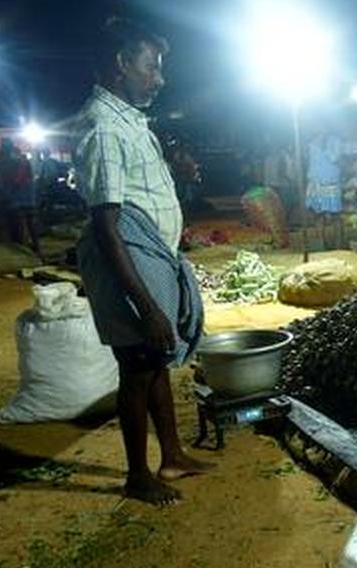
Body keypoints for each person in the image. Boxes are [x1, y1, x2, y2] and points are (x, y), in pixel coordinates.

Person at [72, 18, 210, 505]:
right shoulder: (104, 126)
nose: (159, 78)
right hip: (128, 265)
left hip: (151, 255)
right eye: (150, 67)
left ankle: (171, 455)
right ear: (121, 64)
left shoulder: (129, 120)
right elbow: (109, 226)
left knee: (155, 362)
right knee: (136, 366)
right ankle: (137, 475)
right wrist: (146, 304)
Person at [0, 137, 40, 250]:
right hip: (27, 198)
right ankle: (35, 248)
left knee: (17, 226)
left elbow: (14, 180)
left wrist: (5, 192)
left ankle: (22, 250)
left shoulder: (13, 162)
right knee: (30, 225)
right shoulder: (22, 160)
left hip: (15, 199)